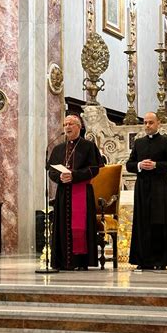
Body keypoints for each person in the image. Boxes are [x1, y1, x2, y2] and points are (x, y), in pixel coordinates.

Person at [126, 112, 167, 271]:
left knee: (159, 222)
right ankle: (143, 260)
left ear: (158, 124)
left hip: (159, 187)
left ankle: (160, 260)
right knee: (142, 223)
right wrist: (139, 166)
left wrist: (156, 165)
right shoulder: (139, 143)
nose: (147, 126)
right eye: (145, 123)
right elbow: (129, 164)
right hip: (142, 187)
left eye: (151, 122)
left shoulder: (166, 141)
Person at [48, 114, 102, 271]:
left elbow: (94, 169)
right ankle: (63, 261)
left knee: (80, 226)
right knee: (63, 226)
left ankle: (81, 261)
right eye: (65, 124)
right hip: (63, 193)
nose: (67, 127)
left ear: (79, 126)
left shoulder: (88, 146)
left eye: (71, 124)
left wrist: (74, 175)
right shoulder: (58, 149)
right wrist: (60, 177)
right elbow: (51, 171)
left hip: (82, 193)